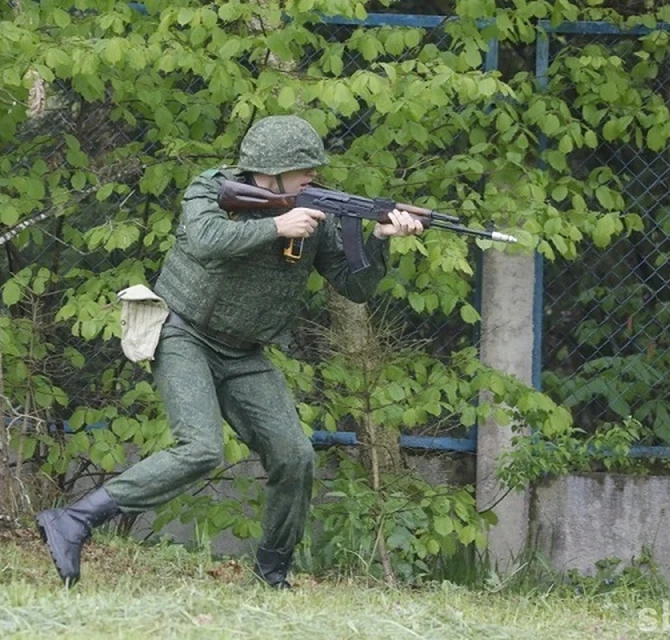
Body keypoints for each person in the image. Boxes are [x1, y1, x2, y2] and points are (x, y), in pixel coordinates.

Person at [36, 115, 426, 589]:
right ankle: (74, 520)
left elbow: (354, 287)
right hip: (183, 334)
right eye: (305, 169)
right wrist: (279, 226)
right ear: (273, 171)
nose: (314, 177)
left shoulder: (317, 216)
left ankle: (272, 576)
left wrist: (382, 241)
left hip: (245, 353)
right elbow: (206, 241)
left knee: (295, 455)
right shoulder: (211, 189)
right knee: (200, 448)